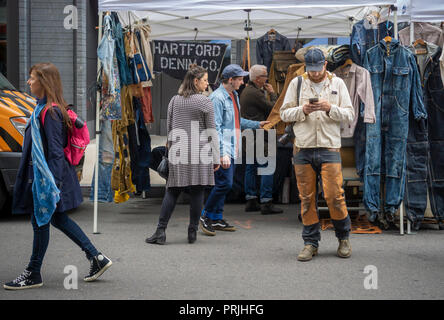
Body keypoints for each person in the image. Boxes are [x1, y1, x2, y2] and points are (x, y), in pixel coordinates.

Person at [4, 63, 112, 290]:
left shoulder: (49, 112)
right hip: (49, 178)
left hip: (50, 180)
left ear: (43, 82)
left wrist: (52, 186)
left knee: (42, 221)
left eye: (32, 78)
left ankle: (34, 272)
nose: (28, 82)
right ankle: (96, 258)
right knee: (53, 219)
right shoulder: (43, 108)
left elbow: (53, 151)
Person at [280, 49, 355, 262]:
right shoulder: (297, 83)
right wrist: (302, 110)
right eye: (309, 69)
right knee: (306, 199)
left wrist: (330, 108)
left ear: (325, 64)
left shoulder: (338, 84)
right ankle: (310, 243)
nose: (313, 73)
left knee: (334, 195)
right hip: (302, 148)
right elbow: (284, 114)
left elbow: (350, 114)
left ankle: (343, 237)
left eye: (317, 69)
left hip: (329, 147)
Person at [145, 65, 220, 245]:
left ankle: (160, 231)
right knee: (197, 191)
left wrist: (170, 151)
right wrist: (216, 157)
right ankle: (192, 232)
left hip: (178, 150)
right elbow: (211, 131)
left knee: (172, 191)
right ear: (195, 82)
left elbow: (170, 130)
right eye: (204, 80)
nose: (207, 83)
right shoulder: (205, 102)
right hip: (200, 153)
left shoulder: (174, 101)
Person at [200, 64, 269, 236]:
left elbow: (237, 122)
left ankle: (216, 217)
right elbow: (215, 127)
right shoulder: (218, 98)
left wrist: (257, 124)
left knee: (223, 184)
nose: (243, 81)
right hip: (224, 149)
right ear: (230, 80)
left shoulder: (234, 95)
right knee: (225, 183)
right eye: (239, 78)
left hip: (233, 147)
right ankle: (205, 216)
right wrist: (222, 152)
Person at [240, 64, 283, 214]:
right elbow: (273, 108)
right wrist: (272, 93)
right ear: (258, 79)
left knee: (251, 167)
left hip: (248, 134)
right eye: (265, 76)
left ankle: (251, 199)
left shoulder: (248, 90)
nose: (267, 78)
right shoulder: (256, 93)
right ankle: (266, 202)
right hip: (259, 135)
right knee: (267, 167)